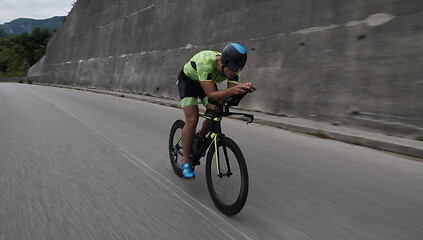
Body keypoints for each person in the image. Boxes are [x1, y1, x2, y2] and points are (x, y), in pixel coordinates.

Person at [176, 43, 255, 178]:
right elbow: (212, 95)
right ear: (224, 62)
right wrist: (233, 89)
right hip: (188, 83)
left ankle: (199, 138)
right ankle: (185, 162)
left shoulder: (234, 69)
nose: (235, 72)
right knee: (192, 118)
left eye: (239, 68)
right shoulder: (205, 62)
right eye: (234, 68)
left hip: (206, 83)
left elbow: (230, 94)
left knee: (216, 114)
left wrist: (242, 90)